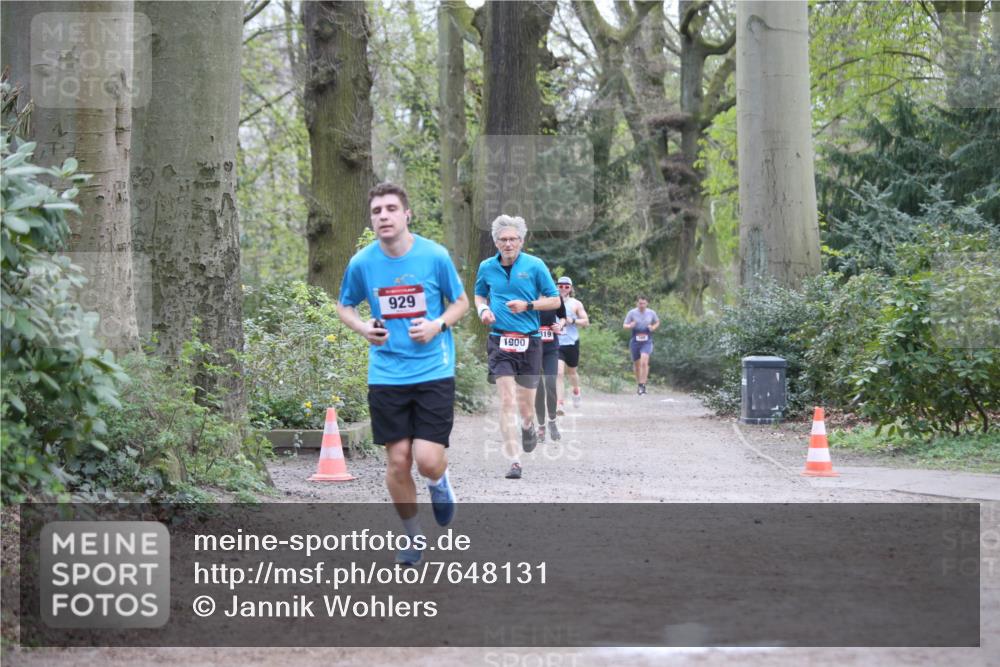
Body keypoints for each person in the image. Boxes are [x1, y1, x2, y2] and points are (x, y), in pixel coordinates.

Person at [336, 182, 469, 566]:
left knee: (427, 459)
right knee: (397, 462)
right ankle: (413, 539)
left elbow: (460, 303)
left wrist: (437, 326)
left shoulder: (434, 255)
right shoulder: (362, 262)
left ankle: (439, 482)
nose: (384, 216)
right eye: (377, 211)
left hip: (433, 369)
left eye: (391, 209)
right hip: (386, 373)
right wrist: (363, 328)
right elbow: (344, 306)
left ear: (406, 214)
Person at [474, 215, 560, 479]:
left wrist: (528, 306)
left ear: (521, 241)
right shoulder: (486, 267)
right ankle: (514, 461)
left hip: (530, 341)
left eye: (513, 239)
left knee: (525, 406)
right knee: (506, 400)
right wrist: (484, 309)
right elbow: (479, 294)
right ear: (496, 242)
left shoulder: (535, 266)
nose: (508, 243)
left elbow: (555, 300)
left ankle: (528, 425)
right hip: (500, 340)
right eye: (503, 239)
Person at [535, 294, 567, 443]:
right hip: (532, 349)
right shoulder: (527, 293)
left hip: (550, 348)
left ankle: (552, 422)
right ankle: (541, 426)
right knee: (538, 389)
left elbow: (563, 317)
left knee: (550, 382)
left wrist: (559, 325)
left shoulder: (555, 297)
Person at [555, 276, 590, 413]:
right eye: (560, 286)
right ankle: (560, 404)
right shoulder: (551, 302)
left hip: (571, 343)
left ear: (571, 288)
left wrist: (573, 320)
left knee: (572, 373)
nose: (563, 288)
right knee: (558, 373)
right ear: (557, 286)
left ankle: (576, 390)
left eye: (566, 286)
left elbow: (586, 321)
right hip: (556, 343)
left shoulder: (576, 303)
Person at [623, 296, 660, 395]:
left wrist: (653, 327)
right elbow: (624, 325)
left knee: (644, 362)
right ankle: (639, 384)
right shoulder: (632, 313)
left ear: (647, 303)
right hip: (635, 340)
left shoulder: (651, 313)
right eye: (640, 303)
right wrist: (630, 326)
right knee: (637, 365)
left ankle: (642, 386)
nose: (642, 305)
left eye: (643, 303)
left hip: (647, 340)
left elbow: (657, 322)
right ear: (637, 303)